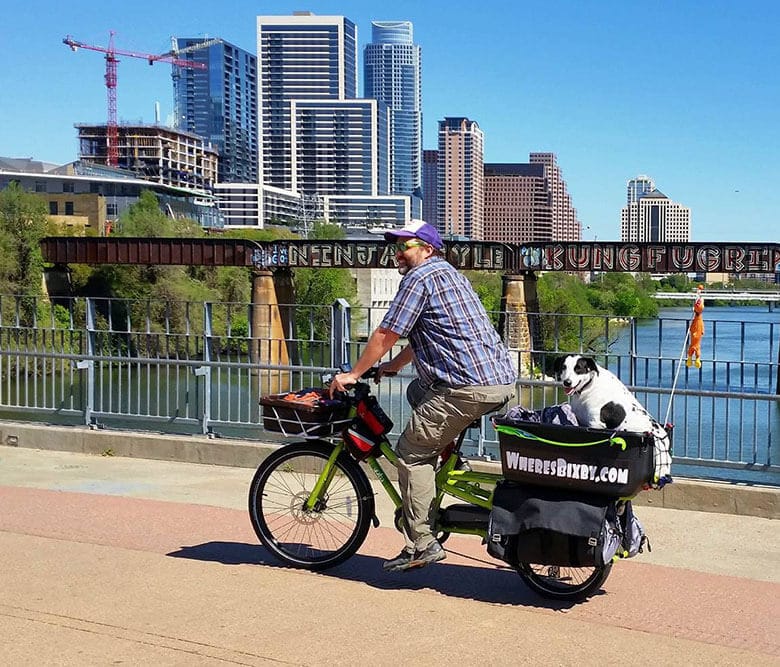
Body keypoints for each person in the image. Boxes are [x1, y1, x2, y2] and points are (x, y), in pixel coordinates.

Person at [329, 219, 516, 572]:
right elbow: (423, 333)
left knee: (411, 453)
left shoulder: (419, 278)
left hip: (466, 387)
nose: (397, 252)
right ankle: (449, 460)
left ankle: (422, 543)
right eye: (395, 246)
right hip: (497, 380)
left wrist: (353, 374)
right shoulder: (449, 274)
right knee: (418, 390)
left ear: (427, 249)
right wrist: (394, 366)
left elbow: (386, 333)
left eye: (405, 245)